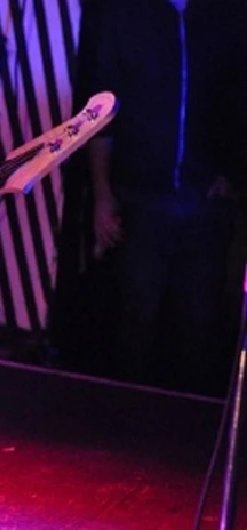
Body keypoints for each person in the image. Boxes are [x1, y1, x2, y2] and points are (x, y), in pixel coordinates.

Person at [79, 0, 246, 394]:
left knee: (200, 328)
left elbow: (240, 96)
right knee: (136, 321)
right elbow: (102, 113)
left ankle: (190, 438)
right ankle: (130, 430)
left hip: (204, 201)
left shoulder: (226, 15)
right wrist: (103, 194)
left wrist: (233, 173)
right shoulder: (128, 15)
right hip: (141, 199)